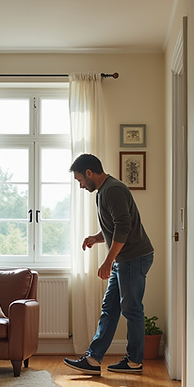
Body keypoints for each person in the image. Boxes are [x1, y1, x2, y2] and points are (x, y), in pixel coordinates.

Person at [64, 153, 154, 375]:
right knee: (110, 308)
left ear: (89, 173)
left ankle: (134, 362)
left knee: (131, 309)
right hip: (125, 258)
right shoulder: (104, 191)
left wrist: (108, 261)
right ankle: (93, 359)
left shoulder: (112, 189)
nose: (80, 185)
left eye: (80, 180)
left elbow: (124, 227)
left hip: (133, 257)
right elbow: (114, 227)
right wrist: (97, 238)